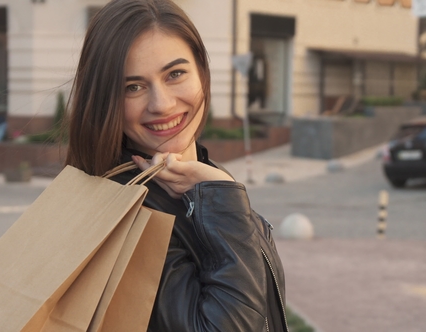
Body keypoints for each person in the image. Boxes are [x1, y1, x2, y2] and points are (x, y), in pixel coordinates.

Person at [65, 0, 288, 330]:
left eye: (175, 74)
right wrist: (224, 200)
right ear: (105, 100)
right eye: (134, 87)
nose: (162, 104)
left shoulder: (203, 178)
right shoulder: (128, 214)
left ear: (202, 73)